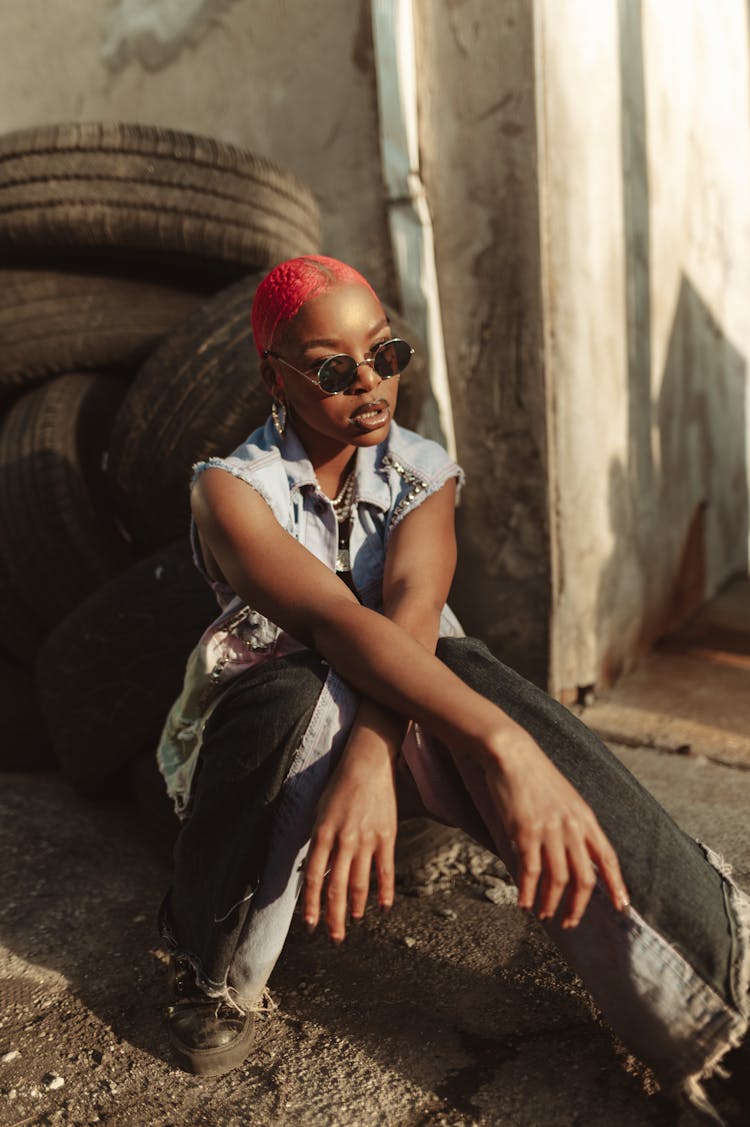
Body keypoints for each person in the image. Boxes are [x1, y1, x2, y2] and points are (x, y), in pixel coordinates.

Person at [156, 255, 749, 1121]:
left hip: (401, 721)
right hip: (263, 752)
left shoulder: (419, 468)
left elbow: (411, 613)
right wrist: (501, 745)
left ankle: (715, 1010)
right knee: (306, 690)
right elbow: (332, 625)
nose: (369, 385)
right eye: (332, 367)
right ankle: (206, 959)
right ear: (272, 377)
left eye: (385, 355)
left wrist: (392, 754)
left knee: (458, 663)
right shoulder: (230, 489)